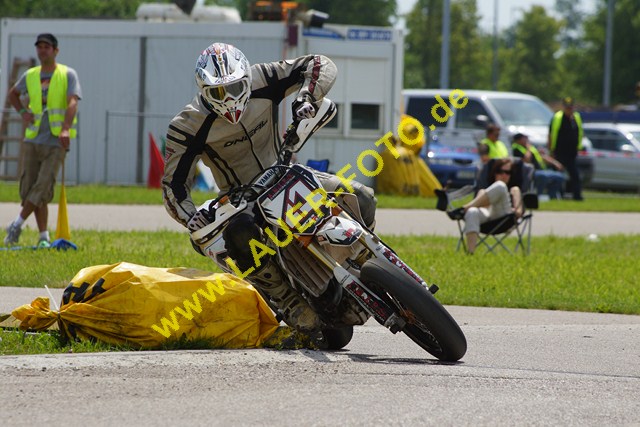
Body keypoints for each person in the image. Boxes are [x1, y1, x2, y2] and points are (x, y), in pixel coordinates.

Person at [162, 43, 376, 333]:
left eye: (236, 88)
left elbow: (319, 63)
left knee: (362, 197)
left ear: (247, 79)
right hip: (241, 200)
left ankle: (365, 261)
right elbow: (173, 186)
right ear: (203, 90)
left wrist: (306, 97)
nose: (228, 99)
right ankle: (287, 299)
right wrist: (190, 217)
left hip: (287, 172)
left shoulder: (265, 77)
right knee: (238, 233)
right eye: (217, 92)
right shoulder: (186, 125)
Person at [4, 33, 81, 247]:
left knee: (43, 185)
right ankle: (44, 236)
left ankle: (16, 224)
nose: (42, 50)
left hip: (56, 141)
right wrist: (22, 113)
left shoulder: (67, 74)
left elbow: (73, 102)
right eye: (39, 47)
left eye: (47, 47)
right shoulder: (30, 75)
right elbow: (12, 94)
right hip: (33, 139)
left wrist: (65, 129)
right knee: (29, 188)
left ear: (55, 51)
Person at [451, 158, 522, 254]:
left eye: (507, 172)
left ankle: (464, 209)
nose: (504, 175)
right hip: (487, 216)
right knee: (472, 211)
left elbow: (519, 212)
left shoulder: (514, 190)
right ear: (494, 173)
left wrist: (516, 210)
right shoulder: (484, 191)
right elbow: (481, 208)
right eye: (500, 171)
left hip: (504, 217)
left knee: (500, 186)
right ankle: (470, 253)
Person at [548, 96, 584, 201]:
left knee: (575, 175)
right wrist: (551, 150)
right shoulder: (557, 117)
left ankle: (577, 196)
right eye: (567, 107)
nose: (569, 109)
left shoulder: (576, 117)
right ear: (563, 107)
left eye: (571, 107)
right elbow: (551, 134)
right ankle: (559, 195)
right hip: (559, 152)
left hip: (572, 153)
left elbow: (580, 133)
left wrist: (578, 147)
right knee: (558, 175)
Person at [512, 133, 565, 199]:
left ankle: (552, 197)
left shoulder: (531, 147)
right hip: (529, 172)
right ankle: (537, 196)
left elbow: (542, 156)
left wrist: (556, 163)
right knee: (543, 176)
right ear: (518, 140)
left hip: (541, 170)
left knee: (559, 177)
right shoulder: (516, 148)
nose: (527, 140)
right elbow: (526, 160)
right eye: (524, 138)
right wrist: (528, 149)